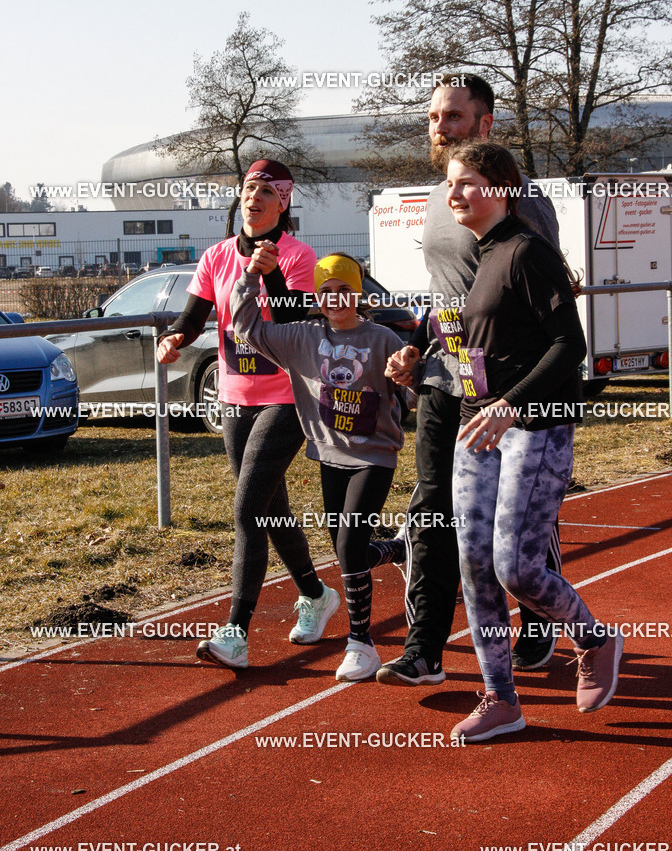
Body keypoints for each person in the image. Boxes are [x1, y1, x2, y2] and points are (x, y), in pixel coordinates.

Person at [377, 74, 563, 686]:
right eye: (433, 116)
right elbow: (447, 296)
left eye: (453, 117)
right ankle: (425, 650)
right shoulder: (438, 197)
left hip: (504, 389)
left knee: (521, 518)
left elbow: (545, 297)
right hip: (442, 377)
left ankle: (538, 624)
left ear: (484, 123)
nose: (438, 126)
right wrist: (414, 347)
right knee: (434, 509)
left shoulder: (520, 199)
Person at [442, 140, 623, 740]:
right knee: (474, 566)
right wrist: (420, 366)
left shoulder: (526, 251)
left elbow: (569, 346)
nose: (454, 194)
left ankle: (594, 639)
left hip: (534, 426)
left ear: (499, 186)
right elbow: (487, 350)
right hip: (478, 429)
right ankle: (501, 701)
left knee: (515, 566)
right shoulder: (482, 254)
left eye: (466, 182)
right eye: (450, 184)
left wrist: (511, 405)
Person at [156, 159, 339, 669]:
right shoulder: (215, 256)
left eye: (265, 191)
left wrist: (271, 271)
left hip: (287, 395)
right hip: (235, 397)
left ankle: (235, 631)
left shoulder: (301, 257)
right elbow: (192, 315)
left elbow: (290, 321)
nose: (253, 198)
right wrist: (175, 336)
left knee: (245, 508)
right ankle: (316, 593)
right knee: (267, 506)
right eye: (247, 188)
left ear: (284, 202)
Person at [230, 250, 407, 681]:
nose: (334, 298)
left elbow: (417, 387)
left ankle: (361, 644)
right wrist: (251, 276)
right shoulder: (303, 337)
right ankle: (398, 549)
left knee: (348, 544)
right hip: (329, 454)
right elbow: (247, 327)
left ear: (359, 294)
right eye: (325, 291)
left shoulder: (383, 339)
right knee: (350, 550)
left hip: (374, 456)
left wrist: (411, 372)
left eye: (344, 290)